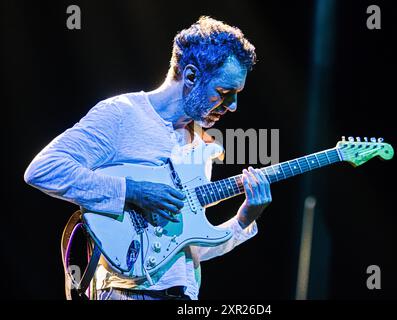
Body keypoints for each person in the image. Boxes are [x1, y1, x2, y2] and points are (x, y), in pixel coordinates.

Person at [24, 16, 272, 300]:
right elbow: (43, 169)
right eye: (224, 92)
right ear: (190, 76)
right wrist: (134, 191)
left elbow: (187, 247)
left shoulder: (201, 147)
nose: (233, 106)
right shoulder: (122, 114)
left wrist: (242, 220)